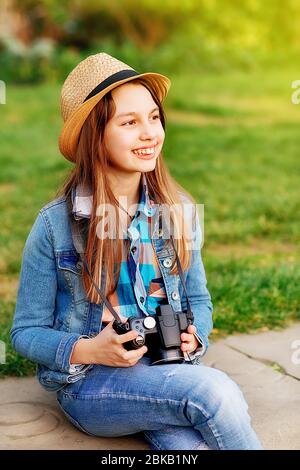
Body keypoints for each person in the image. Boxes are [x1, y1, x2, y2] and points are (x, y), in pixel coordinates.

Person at [10, 52, 262, 450]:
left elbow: (198, 300)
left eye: (154, 117)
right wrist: (90, 349)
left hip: (166, 369)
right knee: (215, 394)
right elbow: (24, 333)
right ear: (95, 136)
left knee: (186, 446)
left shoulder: (176, 210)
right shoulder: (55, 225)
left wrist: (196, 337)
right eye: (129, 123)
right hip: (91, 385)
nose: (150, 133)